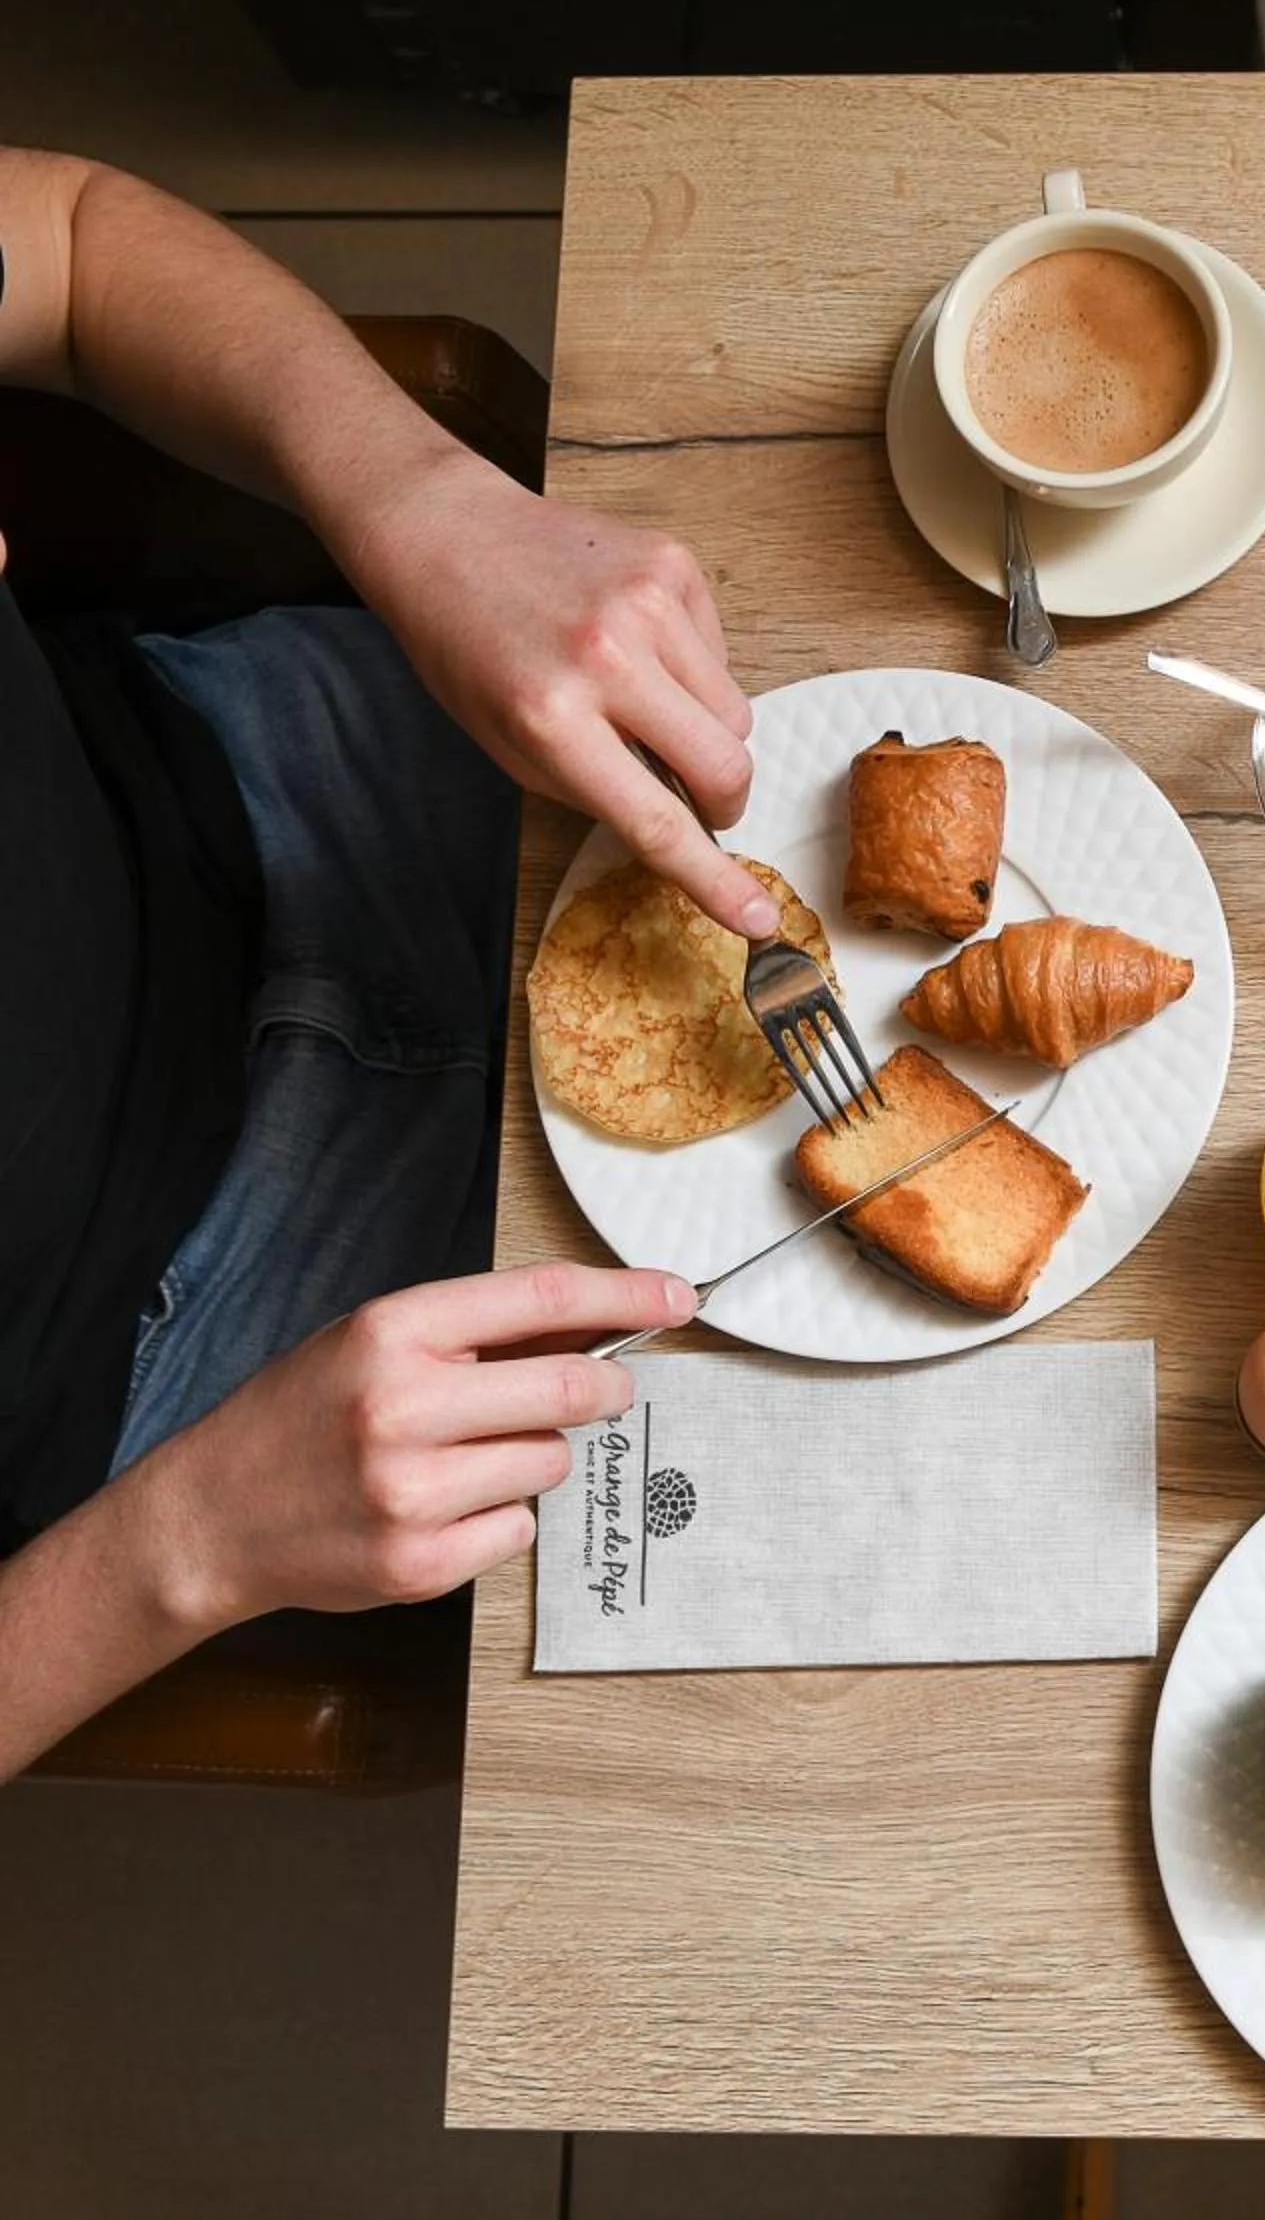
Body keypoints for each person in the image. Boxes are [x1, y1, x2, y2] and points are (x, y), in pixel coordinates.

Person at [0, 148, 786, 1777]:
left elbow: (67, 242)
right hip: (190, 1371)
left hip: (242, 761)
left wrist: (416, 497)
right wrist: (182, 1546)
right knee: (833, 1553)